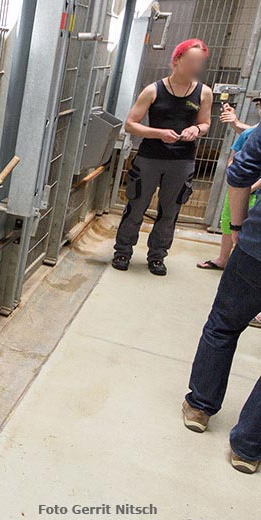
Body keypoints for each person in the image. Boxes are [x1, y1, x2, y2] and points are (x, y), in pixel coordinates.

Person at [183, 123, 261, 474]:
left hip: (256, 248)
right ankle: (247, 448)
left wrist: (239, 226)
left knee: (224, 325)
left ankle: (200, 407)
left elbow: (240, 172)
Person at [113, 39, 213, 275]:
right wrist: (159, 134)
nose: (196, 67)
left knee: (170, 212)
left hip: (182, 161)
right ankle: (123, 251)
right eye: (192, 61)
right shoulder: (153, 90)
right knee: (136, 207)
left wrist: (196, 130)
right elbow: (130, 124)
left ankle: (157, 257)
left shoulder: (204, 92)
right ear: (177, 60)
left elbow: (206, 123)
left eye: (200, 62)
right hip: (150, 158)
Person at [197, 98, 261, 328]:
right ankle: (223, 258)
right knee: (228, 221)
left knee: (222, 326)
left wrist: (248, 185)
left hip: (249, 194)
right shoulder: (252, 133)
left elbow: (241, 168)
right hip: (243, 189)